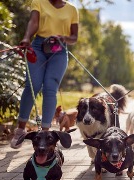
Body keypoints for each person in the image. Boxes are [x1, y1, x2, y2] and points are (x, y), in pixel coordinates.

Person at [10, 0, 79, 149]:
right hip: (38, 47)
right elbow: (33, 22)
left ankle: (45, 135)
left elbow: (74, 37)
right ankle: (20, 130)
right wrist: (27, 37)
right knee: (32, 85)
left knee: (50, 88)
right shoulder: (39, 2)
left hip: (59, 50)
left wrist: (64, 38)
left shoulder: (72, 9)